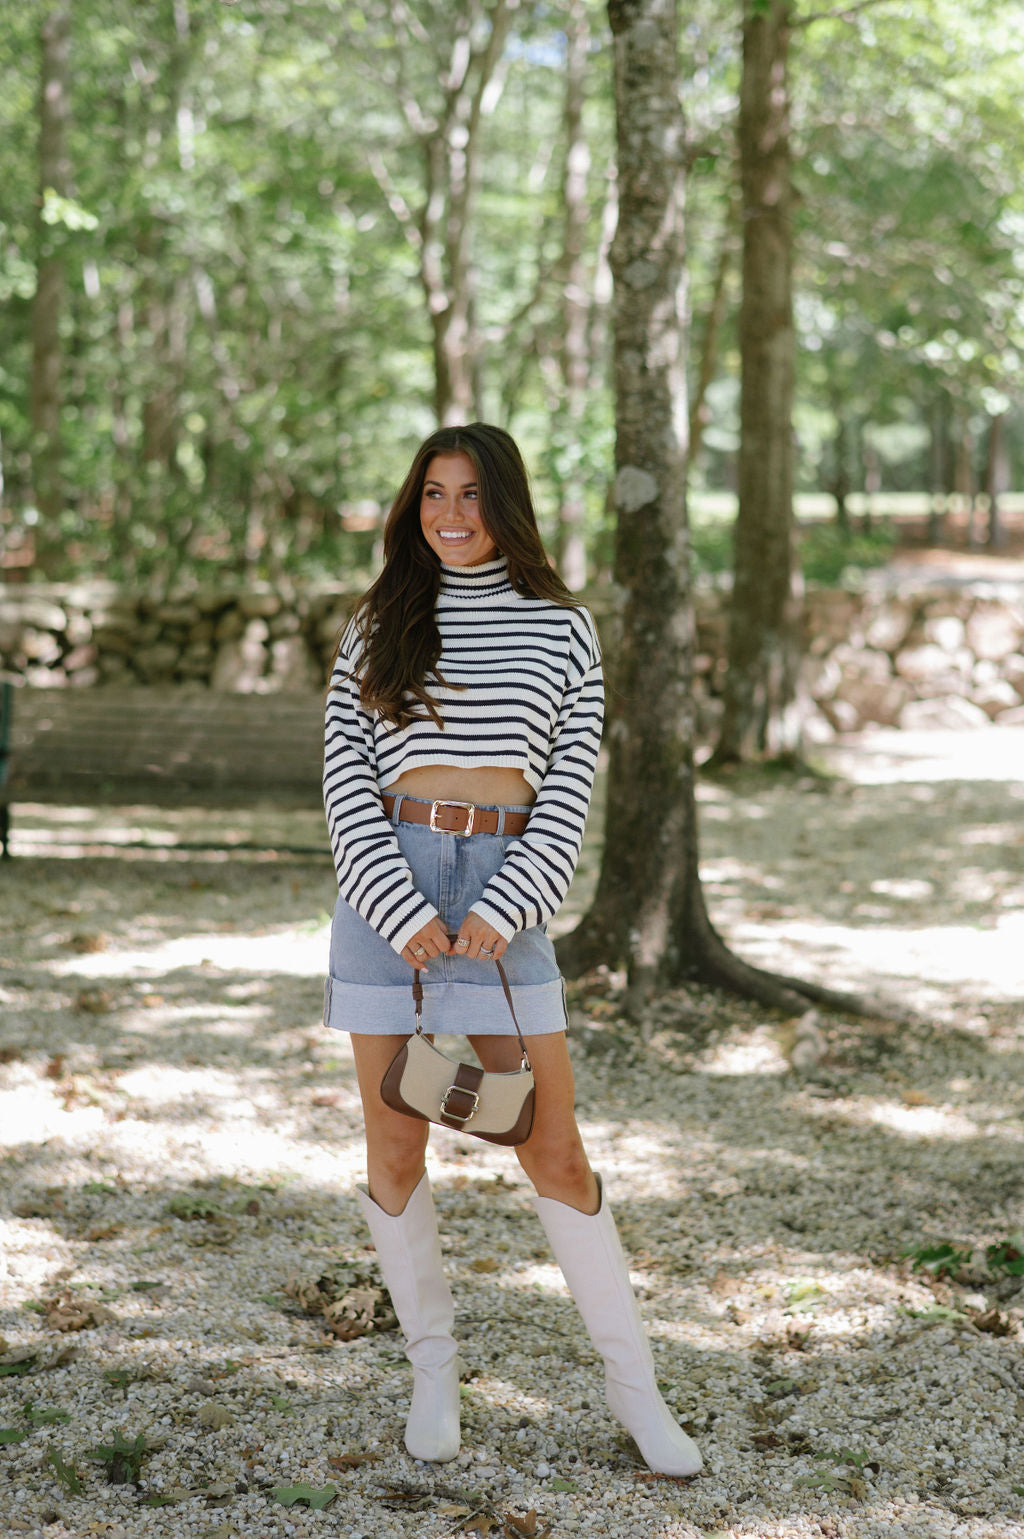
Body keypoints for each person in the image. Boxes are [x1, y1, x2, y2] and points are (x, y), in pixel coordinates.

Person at [322, 423, 702, 1477]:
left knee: (552, 1145)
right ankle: (433, 1378)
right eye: (433, 494)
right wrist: (399, 910)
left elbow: (571, 786)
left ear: (508, 505)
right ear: (414, 506)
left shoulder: (561, 629)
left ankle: (638, 1397)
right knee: (398, 1144)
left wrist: (511, 904)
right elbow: (346, 779)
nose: (451, 515)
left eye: (472, 495)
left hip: (506, 901)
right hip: (386, 895)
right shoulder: (378, 622)